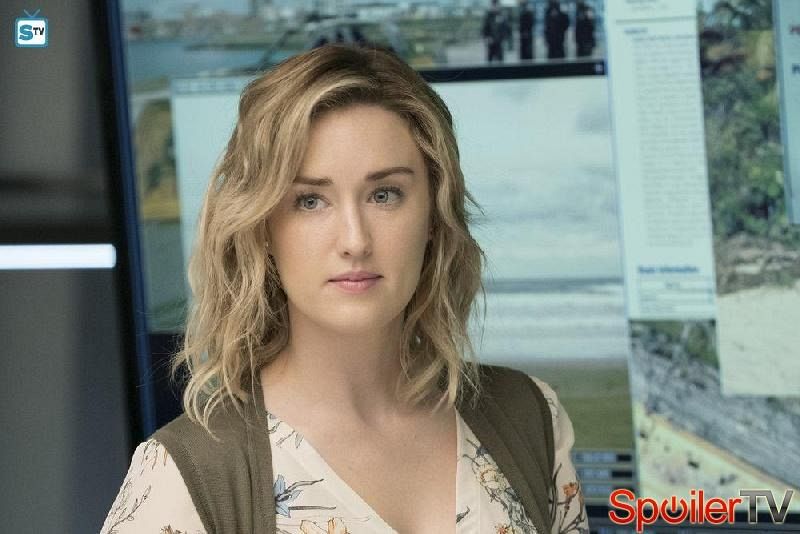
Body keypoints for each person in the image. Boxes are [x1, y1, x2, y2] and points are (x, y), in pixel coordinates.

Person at [100, 44, 589, 534]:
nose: (355, 240)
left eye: (384, 195)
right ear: (262, 227)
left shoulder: (532, 418)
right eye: (310, 201)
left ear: (434, 216)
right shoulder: (182, 478)